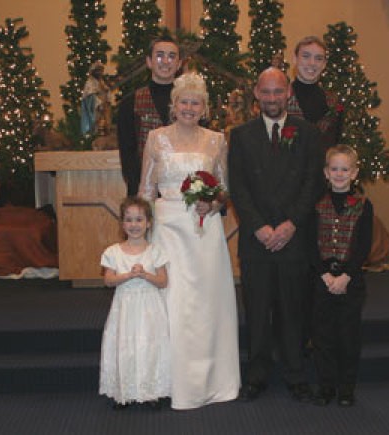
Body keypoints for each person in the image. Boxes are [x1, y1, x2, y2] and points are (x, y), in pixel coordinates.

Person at [139, 72, 241, 410]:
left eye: (195, 102)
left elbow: (225, 190)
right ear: (174, 105)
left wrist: (211, 203)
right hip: (167, 230)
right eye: (183, 101)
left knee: (206, 305)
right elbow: (144, 190)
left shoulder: (216, 140)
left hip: (204, 231)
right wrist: (137, 233)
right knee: (172, 303)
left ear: (204, 107)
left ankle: (211, 380)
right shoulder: (155, 138)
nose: (189, 107)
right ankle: (167, 380)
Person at [228, 67, 323, 402]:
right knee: (256, 310)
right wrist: (259, 227)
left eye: (278, 92)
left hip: (293, 237)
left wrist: (290, 224)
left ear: (288, 94)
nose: (272, 98)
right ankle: (256, 374)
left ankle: (296, 374)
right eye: (266, 92)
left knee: (293, 309)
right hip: (256, 240)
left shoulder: (308, 133)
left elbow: (313, 182)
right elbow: (237, 187)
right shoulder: (240, 135)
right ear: (256, 93)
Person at [310, 145, 373, 407]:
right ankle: (326, 386)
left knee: (348, 335)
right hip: (322, 279)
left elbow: (363, 245)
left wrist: (346, 275)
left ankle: (346, 388)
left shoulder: (363, 205)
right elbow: (308, 244)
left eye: (344, 169)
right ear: (326, 172)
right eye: (334, 169)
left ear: (354, 172)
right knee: (323, 335)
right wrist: (324, 274)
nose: (339, 174)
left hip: (351, 280)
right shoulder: (316, 204)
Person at [99, 197, 170, 409]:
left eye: (139, 219)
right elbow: (108, 280)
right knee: (125, 346)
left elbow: (163, 281)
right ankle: (125, 391)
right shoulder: (113, 251)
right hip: (125, 309)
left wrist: (146, 275)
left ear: (148, 223)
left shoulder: (155, 250)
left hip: (149, 310)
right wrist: (127, 276)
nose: (134, 225)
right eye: (128, 220)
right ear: (122, 224)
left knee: (149, 346)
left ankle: (151, 391)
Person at [118, 36, 182, 196]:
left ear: (179, 64)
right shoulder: (130, 103)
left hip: (181, 192)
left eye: (172, 56)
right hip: (143, 192)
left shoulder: (191, 103)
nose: (166, 61)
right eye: (160, 55)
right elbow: (128, 154)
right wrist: (141, 191)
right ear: (149, 61)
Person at [288, 36, 343, 150]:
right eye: (306, 56)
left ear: (324, 64)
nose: (312, 63)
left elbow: (336, 146)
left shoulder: (333, 104)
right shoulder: (280, 98)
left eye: (318, 58)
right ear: (295, 59)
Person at [81, 61, 112, 135]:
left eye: (100, 71)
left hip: (103, 106)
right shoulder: (89, 82)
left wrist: (107, 92)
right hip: (94, 108)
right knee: (96, 122)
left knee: (104, 120)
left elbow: (105, 90)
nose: (100, 73)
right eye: (97, 71)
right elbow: (90, 96)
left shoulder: (101, 81)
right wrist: (99, 103)